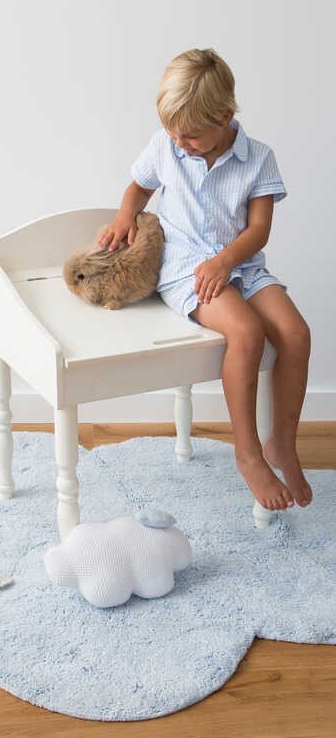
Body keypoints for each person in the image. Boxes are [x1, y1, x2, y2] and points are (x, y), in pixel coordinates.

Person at [96, 48, 312, 511]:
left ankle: (283, 444)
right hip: (185, 267)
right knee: (247, 332)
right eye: (172, 132)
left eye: (190, 135)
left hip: (242, 263)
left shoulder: (258, 159)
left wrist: (227, 262)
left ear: (225, 117)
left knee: (296, 333)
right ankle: (248, 452)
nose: (179, 143)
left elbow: (258, 230)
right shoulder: (166, 145)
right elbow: (139, 185)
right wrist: (124, 216)